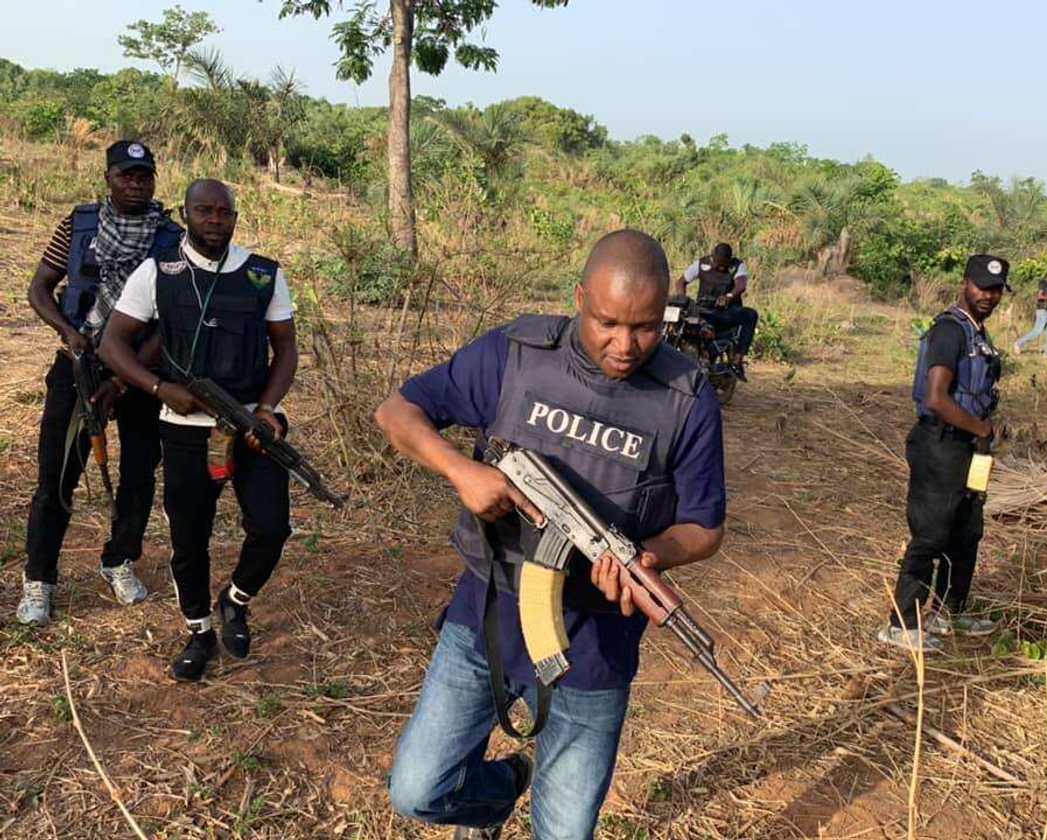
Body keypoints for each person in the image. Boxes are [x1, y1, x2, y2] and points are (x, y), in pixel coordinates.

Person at [376, 229, 727, 840]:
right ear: (579, 299)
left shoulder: (685, 398)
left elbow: (705, 527)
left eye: (646, 327)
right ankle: (498, 794)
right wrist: (464, 471)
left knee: (564, 833)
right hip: (489, 608)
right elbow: (397, 413)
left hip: (598, 642)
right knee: (417, 789)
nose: (626, 345)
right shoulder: (516, 355)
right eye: (609, 322)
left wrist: (652, 556)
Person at [98, 179, 298, 682]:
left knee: (271, 527)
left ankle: (236, 600)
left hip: (251, 425)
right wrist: (159, 389)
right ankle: (200, 631)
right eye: (203, 211)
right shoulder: (157, 271)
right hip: (185, 428)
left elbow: (286, 350)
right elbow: (112, 344)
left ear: (235, 216)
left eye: (223, 212)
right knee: (189, 538)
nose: (214, 220)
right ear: (185, 214)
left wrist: (269, 407)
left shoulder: (262, 274)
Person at [17, 140, 182, 627]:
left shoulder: (171, 238)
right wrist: (70, 335)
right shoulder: (78, 225)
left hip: (141, 373)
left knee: (137, 478)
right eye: (127, 175)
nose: (136, 184)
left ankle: (119, 560)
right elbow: (39, 288)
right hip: (78, 366)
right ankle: (39, 579)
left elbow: (171, 318)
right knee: (57, 476)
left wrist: (126, 378)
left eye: (144, 176)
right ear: (108, 178)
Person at [879, 255, 1008, 652]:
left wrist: (985, 429)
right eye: (981, 287)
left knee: (966, 531)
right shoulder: (950, 331)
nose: (987, 295)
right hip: (940, 445)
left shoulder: (978, 334)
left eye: (995, 289)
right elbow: (936, 398)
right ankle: (902, 623)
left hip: (968, 447)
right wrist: (981, 427)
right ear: (964, 283)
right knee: (932, 533)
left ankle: (950, 612)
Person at [674, 243, 758, 379]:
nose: (721, 267)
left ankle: (737, 360)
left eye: (724, 265)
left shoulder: (737, 266)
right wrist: (682, 300)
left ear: (729, 260)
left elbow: (741, 285)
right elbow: (680, 282)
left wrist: (728, 296)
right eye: (718, 264)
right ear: (713, 257)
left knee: (751, 315)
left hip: (726, 312)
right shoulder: (701, 264)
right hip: (703, 310)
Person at [1013, 266, 1047, 357]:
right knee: (1037, 331)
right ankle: (1018, 344)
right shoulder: (1043, 282)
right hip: (1042, 310)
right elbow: (1039, 297)